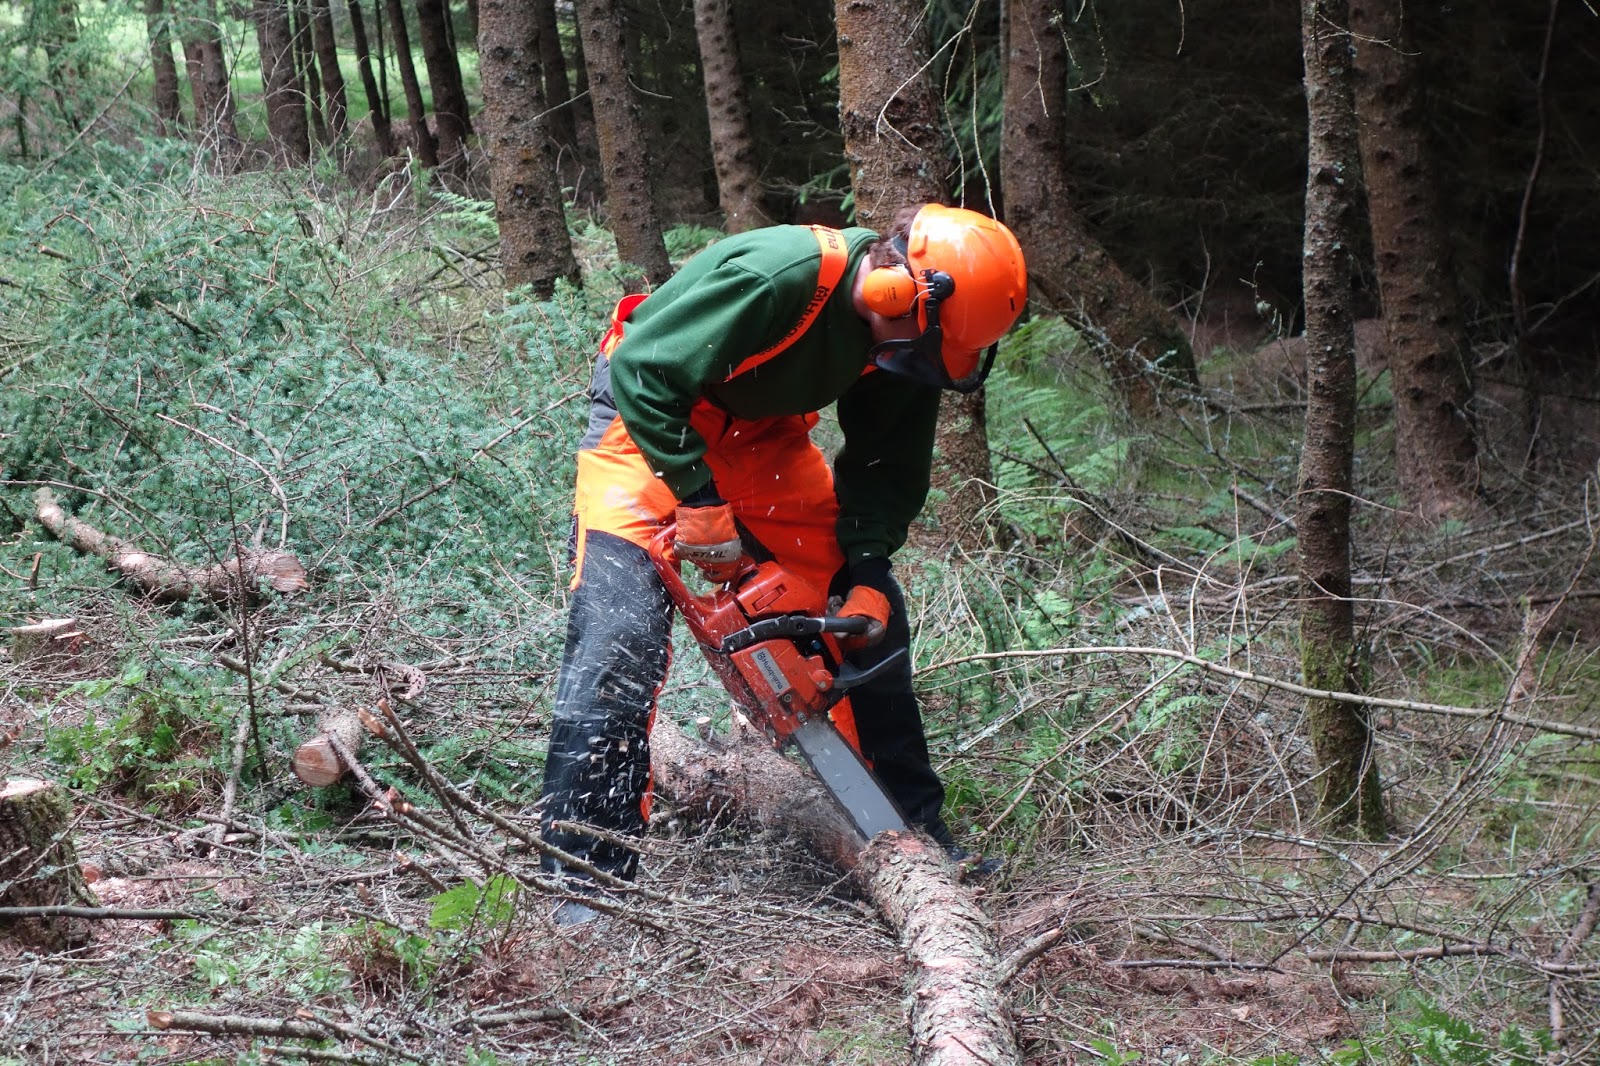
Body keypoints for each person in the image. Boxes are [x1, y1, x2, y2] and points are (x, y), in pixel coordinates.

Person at [537, 204, 1027, 919]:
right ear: (897, 288)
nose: (916, 365)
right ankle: (584, 888)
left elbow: (887, 464)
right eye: (922, 348)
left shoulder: (905, 341)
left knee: (863, 618)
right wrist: (696, 499)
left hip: (763, 442)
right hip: (650, 426)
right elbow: (646, 368)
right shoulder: (785, 277)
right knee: (618, 637)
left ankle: (912, 836)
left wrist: (863, 569)